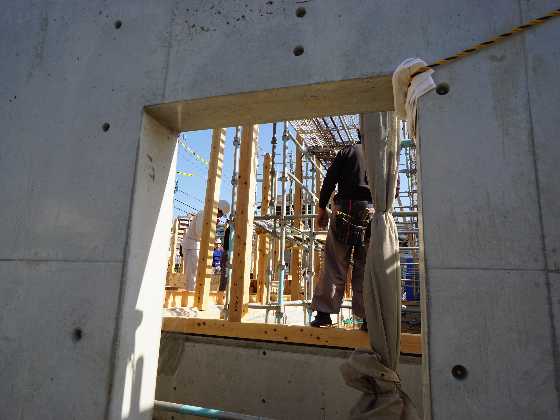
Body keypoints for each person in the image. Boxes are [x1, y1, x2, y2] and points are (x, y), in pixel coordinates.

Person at [310, 134, 372, 330]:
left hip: (344, 207)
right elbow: (393, 190)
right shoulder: (381, 155)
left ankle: (323, 315)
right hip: (371, 210)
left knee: (335, 262)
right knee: (366, 266)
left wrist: (322, 208)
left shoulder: (348, 151)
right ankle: (369, 318)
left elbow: (329, 180)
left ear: (359, 132)